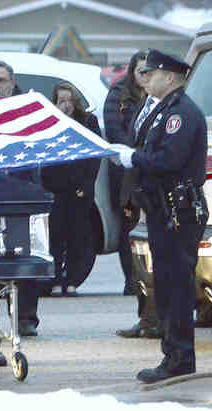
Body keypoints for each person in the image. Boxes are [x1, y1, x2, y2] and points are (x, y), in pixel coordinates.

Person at [108, 49, 207, 384]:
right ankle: (174, 353)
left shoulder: (180, 113)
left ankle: (179, 357)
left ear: (170, 77)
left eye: (151, 74)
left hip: (177, 211)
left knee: (176, 286)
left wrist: (133, 158)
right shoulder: (160, 109)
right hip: (163, 208)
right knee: (166, 284)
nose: (145, 78)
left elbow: (168, 159)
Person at [0, 59, 41, 338]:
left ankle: (25, 319)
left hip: (21, 193)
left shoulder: (25, 111)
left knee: (23, 260)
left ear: (12, 83)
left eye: (2, 81)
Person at [106, 52, 163, 340]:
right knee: (141, 261)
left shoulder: (167, 108)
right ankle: (146, 317)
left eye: (150, 73)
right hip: (135, 188)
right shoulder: (130, 102)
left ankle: (156, 320)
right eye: (143, 73)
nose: (147, 78)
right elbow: (125, 146)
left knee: (158, 262)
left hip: (155, 195)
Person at [43, 81, 101, 298]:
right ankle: (56, 279)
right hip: (55, 189)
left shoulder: (87, 121)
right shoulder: (50, 123)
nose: (65, 105)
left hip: (79, 189)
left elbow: (95, 156)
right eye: (61, 101)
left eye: (69, 100)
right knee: (55, 237)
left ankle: (72, 280)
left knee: (77, 236)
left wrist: (86, 185)